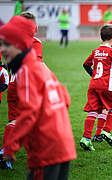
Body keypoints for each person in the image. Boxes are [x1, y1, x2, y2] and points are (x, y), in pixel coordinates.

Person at [0, 16, 77, 179]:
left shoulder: (26, 71)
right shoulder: (42, 68)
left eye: (7, 44)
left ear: (20, 44)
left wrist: (10, 147)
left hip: (45, 149)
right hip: (64, 144)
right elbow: (66, 99)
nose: (2, 50)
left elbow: (29, 112)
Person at [0, 11, 44, 170]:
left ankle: (4, 153)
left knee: (13, 120)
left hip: (12, 85)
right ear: (34, 27)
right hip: (25, 86)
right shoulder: (35, 42)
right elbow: (35, 63)